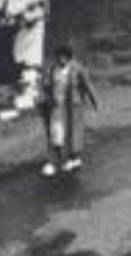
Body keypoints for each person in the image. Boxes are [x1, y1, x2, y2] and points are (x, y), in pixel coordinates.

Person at [39, 45, 98, 177]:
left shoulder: (77, 69)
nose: (61, 60)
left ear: (69, 58)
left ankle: (73, 158)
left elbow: (88, 85)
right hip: (56, 107)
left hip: (72, 108)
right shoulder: (52, 69)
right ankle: (53, 162)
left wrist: (94, 102)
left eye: (64, 57)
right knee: (55, 133)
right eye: (59, 57)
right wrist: (43, 99)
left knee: (71, 134)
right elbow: (46, 85)